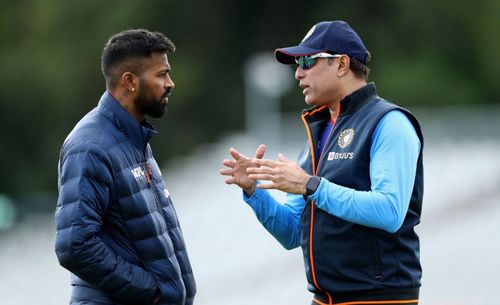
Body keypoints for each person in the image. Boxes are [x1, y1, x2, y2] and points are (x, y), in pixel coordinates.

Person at [221, 20, 423, 305]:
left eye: (306, 62)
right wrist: (255, 192)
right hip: (324, 299)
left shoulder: (390, 123)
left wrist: (311, 185)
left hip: (379, 299)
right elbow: (292, 231)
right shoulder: (320, 131)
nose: (298, 74)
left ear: (341, 64)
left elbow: (389, 211)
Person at [55, 29, 196, 305]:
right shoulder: (90, 146)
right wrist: (151, 292)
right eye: (161, 74)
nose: (170, 83)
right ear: (129, 81)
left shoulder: (135, 139)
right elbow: (74, 245)